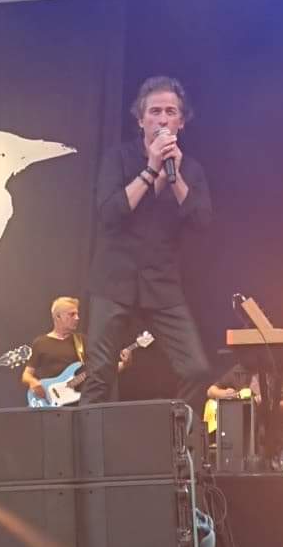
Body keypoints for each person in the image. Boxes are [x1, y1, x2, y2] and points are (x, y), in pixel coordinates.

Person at [79, 75, 212, 412]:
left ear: (181, 122)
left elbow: (201, 221)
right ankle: (88, 446)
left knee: (196, 369)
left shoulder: (190, 169)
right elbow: (109, 213)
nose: (162, 119)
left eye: (170, 112)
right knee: (99, 375)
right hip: (114, 280)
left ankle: (174, 438)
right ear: (141, 120)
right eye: (155, 111)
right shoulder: (118, 158)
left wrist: (174, 177)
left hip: (161, 283)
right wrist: (151, 170)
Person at [22, 297, 85, 403]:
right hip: (48, 402)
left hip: (76, 403)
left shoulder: (82, 341)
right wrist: (33, 382)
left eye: (77, 314)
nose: (77, 318)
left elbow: (95, 369)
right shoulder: (40, 343)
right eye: (72, 314)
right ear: (58, 316)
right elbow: (26, 375)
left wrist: (119, 364)